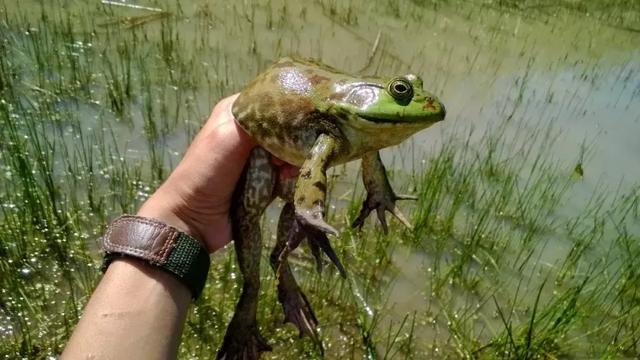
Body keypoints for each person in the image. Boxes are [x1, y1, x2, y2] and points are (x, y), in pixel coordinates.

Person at [62, 94, 296, 359]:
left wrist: (183, 217)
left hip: (229, 215)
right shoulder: (257, 122)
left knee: (296, 202)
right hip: (240, 212)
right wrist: (184, 216)